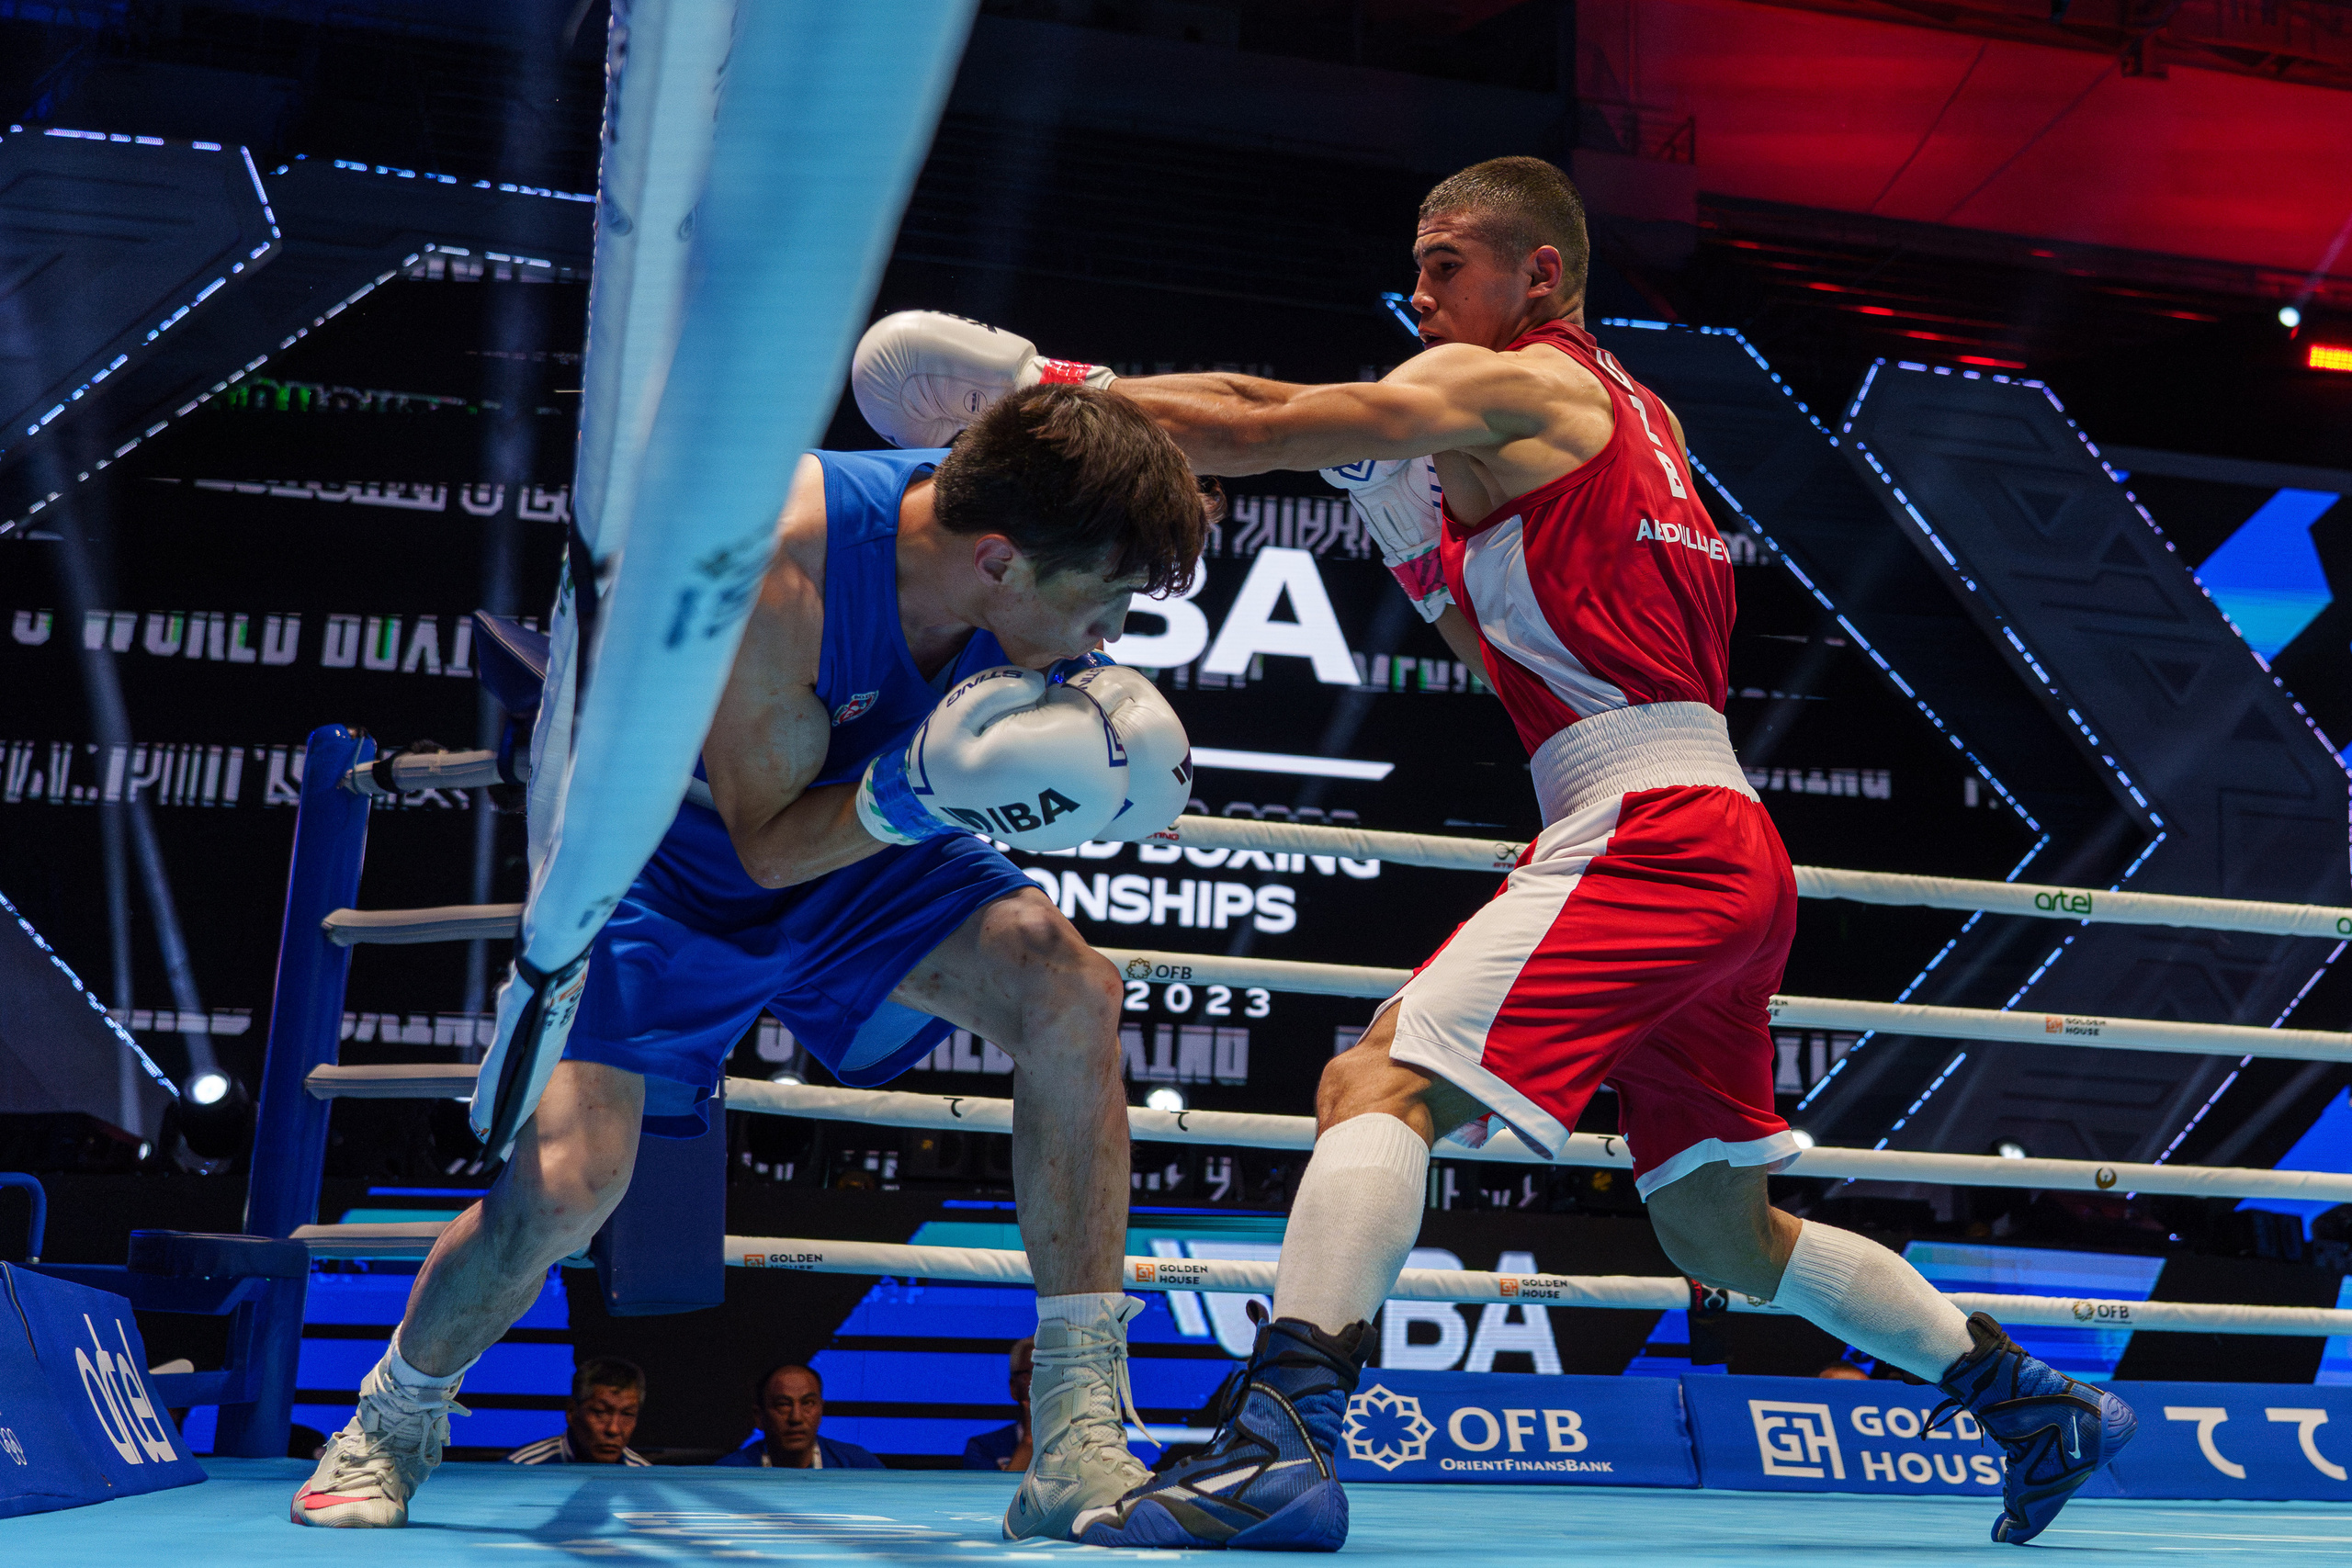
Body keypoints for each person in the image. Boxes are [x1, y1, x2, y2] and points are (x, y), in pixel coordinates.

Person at [850, 155, 2137, 1551]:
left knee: (1374, 1082)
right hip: (1712, 835)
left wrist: (1053, 395)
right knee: (1720, 1234)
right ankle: (2032, 1401)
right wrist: (1423, 559)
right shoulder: (1634, 419)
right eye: (1415, 265)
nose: (1418, 292)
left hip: (1650, 828)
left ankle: (1280, 1441)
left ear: (1540, 273)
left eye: (1445, 262)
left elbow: (1269, 421)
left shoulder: (1524, 380)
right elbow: (1525, 659)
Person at [292, 383, 1215, 1539]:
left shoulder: (1020, 508)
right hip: (670, 865)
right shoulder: (785, 566)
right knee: (564, 1191)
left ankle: (1076, 1430)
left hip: (870, 847)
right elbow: (768, 847)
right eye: (1106, 599)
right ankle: (391, 1418)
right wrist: (921, 788)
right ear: (998, 561)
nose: (1111, 637)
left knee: (1070, 988)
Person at [715, 1364, 882, 1469]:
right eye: (783, 1405)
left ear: (821, 1410)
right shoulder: (728, 1473)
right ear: (759, 1416)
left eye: (808, 1403)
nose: (796, 1418)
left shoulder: (858, 1466)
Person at [505, 1359, 652, 1466]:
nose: (613, 1429)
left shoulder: (644, 1479)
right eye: (600, 1412)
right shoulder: (521, 1470)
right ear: (571, 1411)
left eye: (627, 1414)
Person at [961, 1337, 1035, 1471]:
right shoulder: (983, 1449)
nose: (1046, 1384)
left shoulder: (1077, 1445)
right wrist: (1030, 1440)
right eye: (1033, 1372)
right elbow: (1001, 1487)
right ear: (1013, 1388)